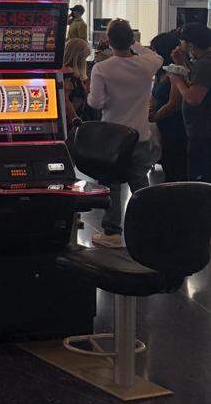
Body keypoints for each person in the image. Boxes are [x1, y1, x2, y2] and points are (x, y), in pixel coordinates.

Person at [86, 19, 163, 247]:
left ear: (108, 41)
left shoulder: (102, 68)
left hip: (112, 137)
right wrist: (136, 44)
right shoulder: (147, 65)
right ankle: (149, 228)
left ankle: (112, 233)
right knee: (140, 183)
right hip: (140, 134)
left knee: (111, 183)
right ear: (131, 39)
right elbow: (156, 56)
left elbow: (97, 103)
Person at [169, 22, 211, 181]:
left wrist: (177, 79)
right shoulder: (202, 62)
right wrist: (180, 63)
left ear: (191, 44)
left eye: (182, 42)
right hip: (200, 131)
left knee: (200, 179)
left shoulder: (205, 64)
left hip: (203, 133)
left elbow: (194, 98)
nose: (180, 45)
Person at [148, 32, 187, 181]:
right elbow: (153, 95)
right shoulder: (160, 72)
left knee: (175, 169)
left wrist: (155, 117)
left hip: (175, 126)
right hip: (162, 125)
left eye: (155, 51)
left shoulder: (177, 71)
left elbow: (174, 103)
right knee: (167, 166)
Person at [62, 38, 93, 124]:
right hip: (73, 122)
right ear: (78, 57)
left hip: (72, 120)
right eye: (84, 58)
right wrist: (77, 123)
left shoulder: (63, 72)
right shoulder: (70, 76)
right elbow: (67, 103)